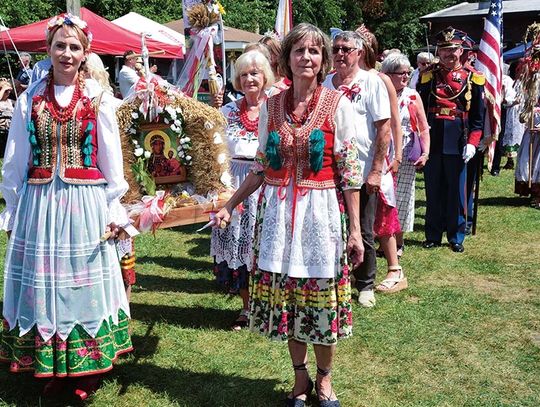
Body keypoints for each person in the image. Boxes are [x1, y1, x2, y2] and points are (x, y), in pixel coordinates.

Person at [214, 23, 364, 406]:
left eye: (314, 52)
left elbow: (349, 174)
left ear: (323, 59)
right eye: (299, 51)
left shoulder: (338, 105)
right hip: (279, 218)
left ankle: (325, 380)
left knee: (321, 303)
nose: (307, 58)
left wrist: (356, 231)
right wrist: (230, 205)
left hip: (321, 216)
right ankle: (300, 381)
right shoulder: (272, 107)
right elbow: (262, 167)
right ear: (286, 59)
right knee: (291, 304)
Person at [0, 13, 132, 400]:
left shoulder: (98, 99)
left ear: (85, 51)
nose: (67, 53)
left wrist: (114, 208)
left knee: (79, 282)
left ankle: (83, 369)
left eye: (75, 46)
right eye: (60, 45)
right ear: (48, 49)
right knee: (46, 282)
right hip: (40, 203)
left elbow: (111, 162)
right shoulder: (30, 99)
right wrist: (13, 205)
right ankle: (51, 362)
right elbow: (15, 158)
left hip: (85, 204)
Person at [210, 50, 274, 331]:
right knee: (238, 247)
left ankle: (269, 305)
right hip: (233, 184)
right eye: (244, 74)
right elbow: (214, 150)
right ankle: (247, 308)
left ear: (265, 77)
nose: (250, 79)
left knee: (263, 245)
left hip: (266, 184)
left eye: (255, 73)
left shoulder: (275, 109)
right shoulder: (226, 111)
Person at [417, 27, 485, 252]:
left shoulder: (473, 78)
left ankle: (456, 236)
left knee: (457, 191)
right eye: (444, 50)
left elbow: (477, 117)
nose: (449, 54)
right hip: (433, 139)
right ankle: (433, 234)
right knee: (433, 190)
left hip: (458, 140)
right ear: (438, 51)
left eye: (453, 49)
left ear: (461, 50)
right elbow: (421, 110)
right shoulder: (428, 76)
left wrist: (472, 143)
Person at [381, 53, 430, 259]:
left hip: (406, 150)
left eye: (408, 73)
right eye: (401, 73)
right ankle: (383, 238)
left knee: (401, 196)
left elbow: (423, 127)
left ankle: (398, 242)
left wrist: (425, 152)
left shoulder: (412, 95)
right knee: (382, 197)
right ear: (388, 74)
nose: (406, 76)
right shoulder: (379, 92)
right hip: (382, 150)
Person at [0, 79, 15, 157]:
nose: (8, 93)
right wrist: (3, 89)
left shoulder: (10, 101)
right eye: (6, 91)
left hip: (10, 130)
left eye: (9, 91)